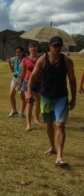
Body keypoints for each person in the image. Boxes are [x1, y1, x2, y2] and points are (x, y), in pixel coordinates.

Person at [27, 36, 77, 167]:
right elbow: (32, 76)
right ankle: (52, 147)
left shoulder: (67, 61)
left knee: (60, 125)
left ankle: (60, 156)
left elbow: (72, 80)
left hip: (61, 97)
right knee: (49, 124)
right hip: (46, 98)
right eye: (55, 46)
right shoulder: (42, 59)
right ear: (50, 47)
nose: (58, 48)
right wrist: (28, 92)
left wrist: (73, 99)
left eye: (59, 46)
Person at [21, 42, 41, 130]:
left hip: (39, 82)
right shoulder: (25, 60)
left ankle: (36, 118)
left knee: (38, 101)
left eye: (34, 47)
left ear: (37, 48)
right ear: (29, 49)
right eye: (31, 47)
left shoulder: (41, 58)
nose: (33, 48)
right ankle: (28, 124)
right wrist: (20, 83)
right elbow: (23, 72)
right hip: (27, 82)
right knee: (29, 101)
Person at [7, 46, 25, 117]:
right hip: (15, 78)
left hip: (22, 80)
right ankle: (14, 110)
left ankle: (22, 112)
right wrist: (9, 63)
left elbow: (24, 71)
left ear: (22, 52)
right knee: (11, 95)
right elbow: (12, 70)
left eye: (19, 52)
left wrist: (21, 82)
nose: (18, 53)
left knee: (22, 97)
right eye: (17, 52)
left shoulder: (25, 60)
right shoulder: (14, 60)